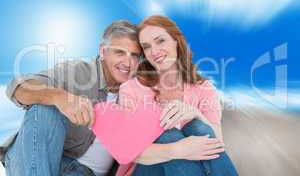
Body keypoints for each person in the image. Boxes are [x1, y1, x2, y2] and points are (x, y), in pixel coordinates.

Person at [3, 20, 142, 176]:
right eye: (120, 52)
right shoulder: (77, 72)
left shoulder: (140, 91)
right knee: (44, 108)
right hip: (36, 159)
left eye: (134, 55)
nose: (128, 62)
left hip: (83, 172)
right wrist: (59, 97)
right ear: (103, 51)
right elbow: (18, 87)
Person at [117, 15, 238, 176]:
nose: (154, 52)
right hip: (146, 170)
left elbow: (218, 144)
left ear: (176, 40)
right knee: (167, 133)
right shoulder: (132, 89)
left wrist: (197, 113)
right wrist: (178, 150)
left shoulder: (203, 88)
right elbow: (127, 151)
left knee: (198, 126)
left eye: (160, 41)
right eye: (146, 47)